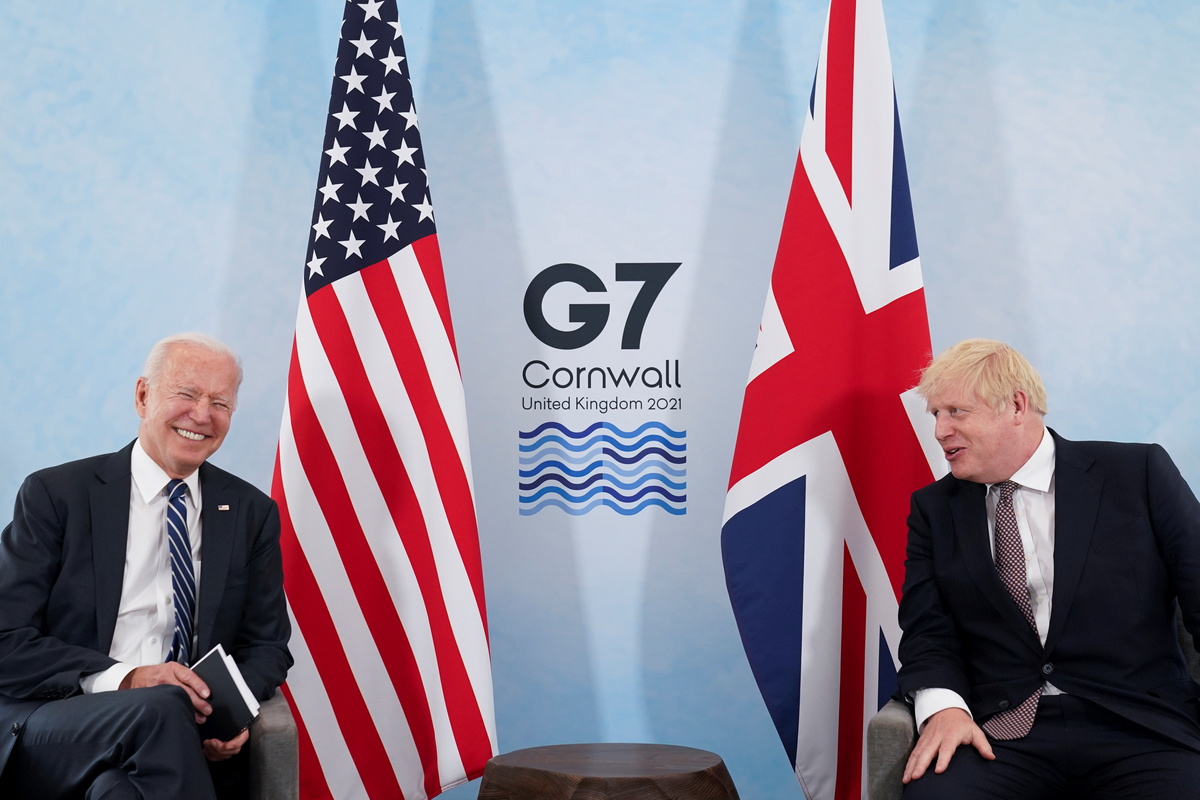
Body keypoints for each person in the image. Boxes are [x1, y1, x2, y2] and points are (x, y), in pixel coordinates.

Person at [896, 338, 1200, 799]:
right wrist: (944, 709)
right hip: (1001, 735)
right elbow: (926, 631)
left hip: (1140, 725)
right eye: (935, 414)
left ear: (1016, 406)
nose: (940, 430)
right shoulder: (933, 509)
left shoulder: (1136, 473)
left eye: (956, 412)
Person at [0, 333, 292, 799]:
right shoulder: (57, 496)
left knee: (119, 791)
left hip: (176, 733)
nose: (202, 415)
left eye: (220, 403)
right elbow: (7, 638)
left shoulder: (250, 513)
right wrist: (129, 678)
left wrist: (227, 713)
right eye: (187, 393)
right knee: (161, 707)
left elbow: (267, 645)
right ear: (142, 396)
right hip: (59, 720)